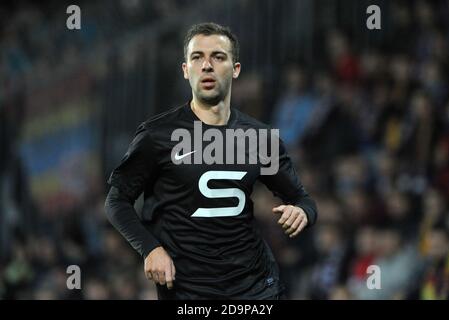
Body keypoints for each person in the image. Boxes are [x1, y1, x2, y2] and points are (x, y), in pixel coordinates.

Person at [104, 22, 317, 300]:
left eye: (218, 57)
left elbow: (303, 199)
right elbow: (116, 202)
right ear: (185, 70)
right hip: (188, 292)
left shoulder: (259, 137)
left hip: (255, 290)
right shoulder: (157, 135)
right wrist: (151, 249)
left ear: (236, 69)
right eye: (197, 57)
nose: (207, 65)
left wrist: (302, 212)